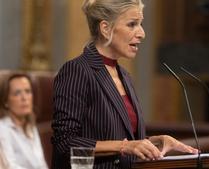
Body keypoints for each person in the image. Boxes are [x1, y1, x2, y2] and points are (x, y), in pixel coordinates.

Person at [51, 0, 199, 169]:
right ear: (106, 28)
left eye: (140, 24)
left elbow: (121, 140)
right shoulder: (77, 70)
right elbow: (65, 143)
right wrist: (125, 146)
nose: (142, 33)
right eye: (132, 24)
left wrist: (156, 142)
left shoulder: (125, 76)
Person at [0, 73, 49, 169]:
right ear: (6, 101)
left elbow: (42, 164)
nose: (24, 98)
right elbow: (9, 167)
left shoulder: (31, 127)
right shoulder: (2, 129)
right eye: (17, 93)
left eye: (28, 91)